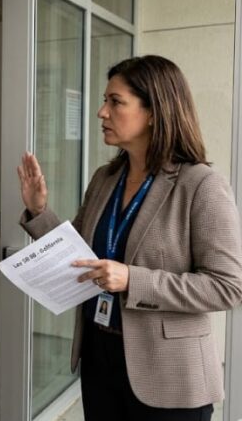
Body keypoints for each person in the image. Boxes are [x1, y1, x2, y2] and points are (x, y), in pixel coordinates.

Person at [17, 55, 242, 421]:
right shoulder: (105, 178)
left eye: (115, 102)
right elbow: (80, 255)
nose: (101, 112)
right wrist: (40, 212)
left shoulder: (200, 185)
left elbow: (228, 287)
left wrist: (132, 280)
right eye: (105, 101)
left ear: (154, 110)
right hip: (100, 356)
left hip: (169, 374)